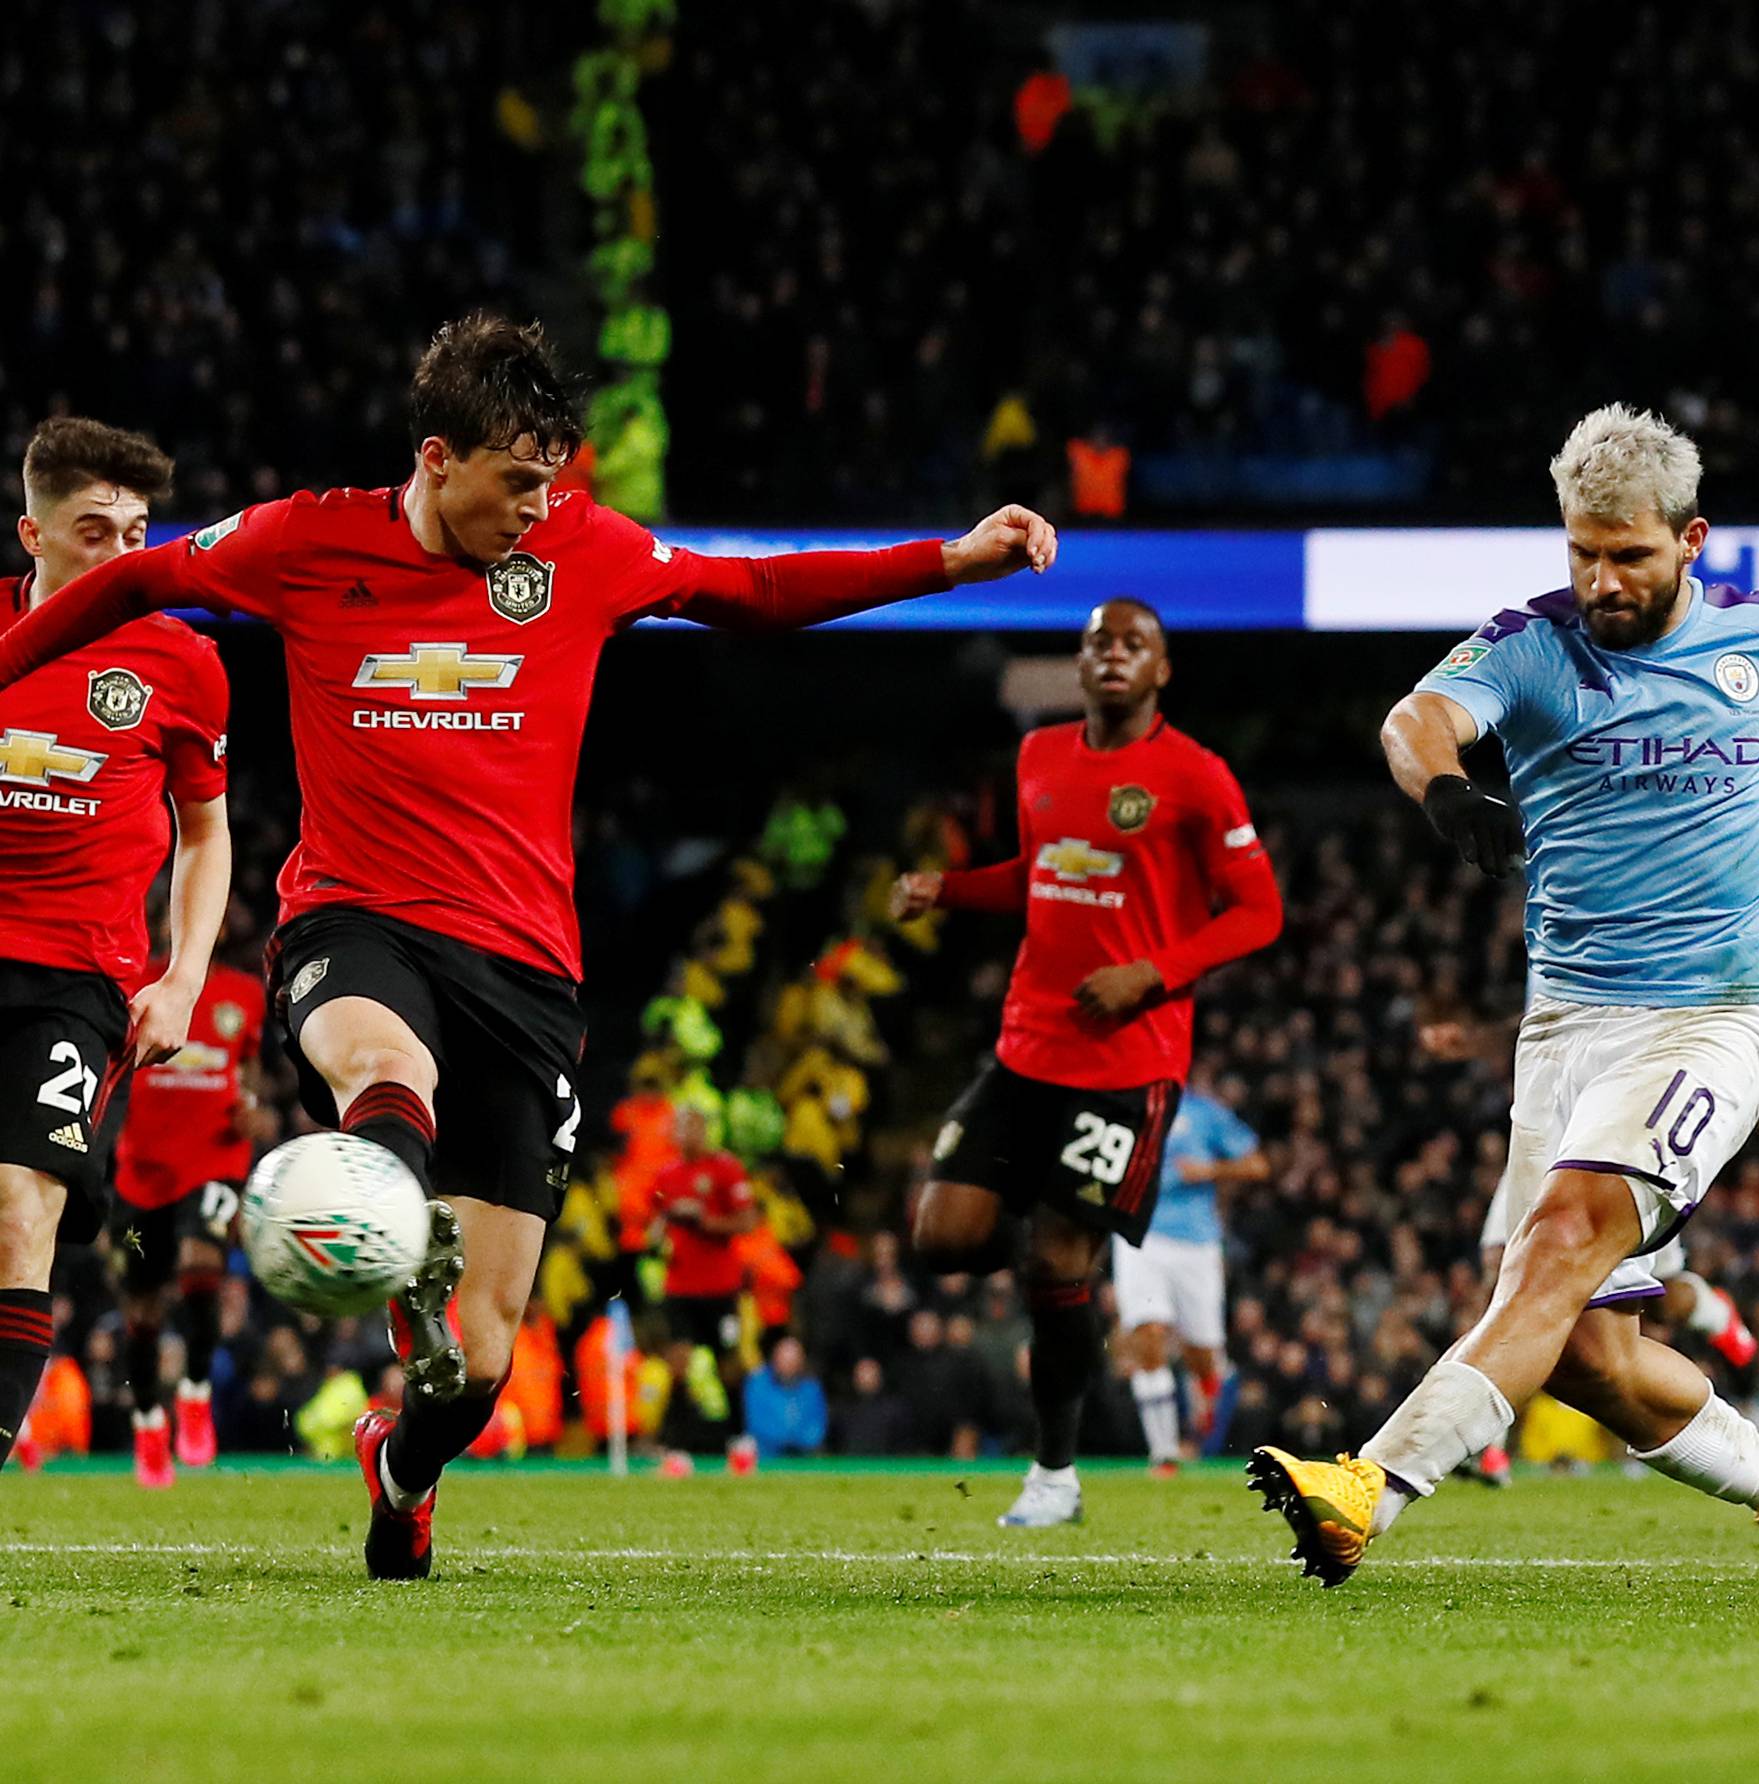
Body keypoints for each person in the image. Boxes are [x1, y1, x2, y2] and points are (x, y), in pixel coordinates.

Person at [0, 313, 1057, 1575]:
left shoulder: (578, 549)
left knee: (487, 1357)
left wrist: (951, 558)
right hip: (355, 917)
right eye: (516, 481)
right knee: (383, 1068)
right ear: (438, 457)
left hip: (527, 970)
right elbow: (131, 579)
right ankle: (387, 1205)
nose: (535, 508)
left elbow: (755, 593)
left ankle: (402, 1461)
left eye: (551, 481)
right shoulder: (301, 539)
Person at [1251, 404, 1759, 1587]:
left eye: (1630, 555)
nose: (1601, 579)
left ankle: (1369, 1486)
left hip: (1712, 1019)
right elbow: (1419, 717)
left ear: (1692, 539)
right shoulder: (1529, 645)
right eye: (1582, 552)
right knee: (1590, 1351)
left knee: (1558, 1237)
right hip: (1564, 1029)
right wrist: (1448, 790)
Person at [892, 598, 1281, 1526]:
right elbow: (1040, 873)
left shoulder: (1195, 776)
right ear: (1080, 662)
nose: (1114, 654)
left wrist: (1153, 973)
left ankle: (1055, 1476)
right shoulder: (1040, 757)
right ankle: (1054, 1265)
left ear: (1160, 672)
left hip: (1127, 1065)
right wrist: (948, 888)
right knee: (941, 1238)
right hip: (1028, 1045)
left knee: (1059, 1266)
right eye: (1100, 641)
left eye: (1134, 644)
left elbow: (1257, 911)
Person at [0, 419, 230, 1474]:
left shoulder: (183, 663)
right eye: (94, 531)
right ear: (33, 535)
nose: (122, 555)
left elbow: (206, 832)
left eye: (138, 532)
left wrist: (182, 974)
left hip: (75, 976)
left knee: (20, 1201)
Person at [1421, 1007, 1757, 1489]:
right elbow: (1539, 1012)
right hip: (1545, 1137)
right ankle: (1484, 1441)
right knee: (1505, 1275)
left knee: (1657, 1300)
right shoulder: (1555, 946)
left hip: (1622, 1134)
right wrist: (1479, 1038)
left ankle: (1709, 1308)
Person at [112, 942, 269, 1484]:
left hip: (215, 1159)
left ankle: (196, 1391)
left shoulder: (245, 994)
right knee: (143, 1308)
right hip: (142, 1169)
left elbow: (251, 1075)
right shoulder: (136, 981)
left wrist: (256, 1111)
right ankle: (148, 1421)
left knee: (202, 1260)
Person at [1113, 1078, 1267, 1472]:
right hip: (1138, 1236)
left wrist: (1210, 1169)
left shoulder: (1204, 1112)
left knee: (1204, 1354)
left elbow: (1257, 1164)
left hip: (1196, 1243)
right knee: (1147, 1334)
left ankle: (1208, 1387)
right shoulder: (1123, 1108)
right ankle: (1164, 1454)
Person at [654, 1105, 757, 1364]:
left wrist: (703, 1220)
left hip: (720, 1286)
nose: (684, 1133)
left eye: (691, 1125)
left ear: (704, 1130)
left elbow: (748, 1221)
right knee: (679, 1360)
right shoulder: (666, 1174)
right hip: (680, 1285)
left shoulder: (726, 1169)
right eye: (679, 1126)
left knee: (729, 1359)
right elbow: (656, 1218)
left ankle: (733, 1404)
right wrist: (658, 1230)